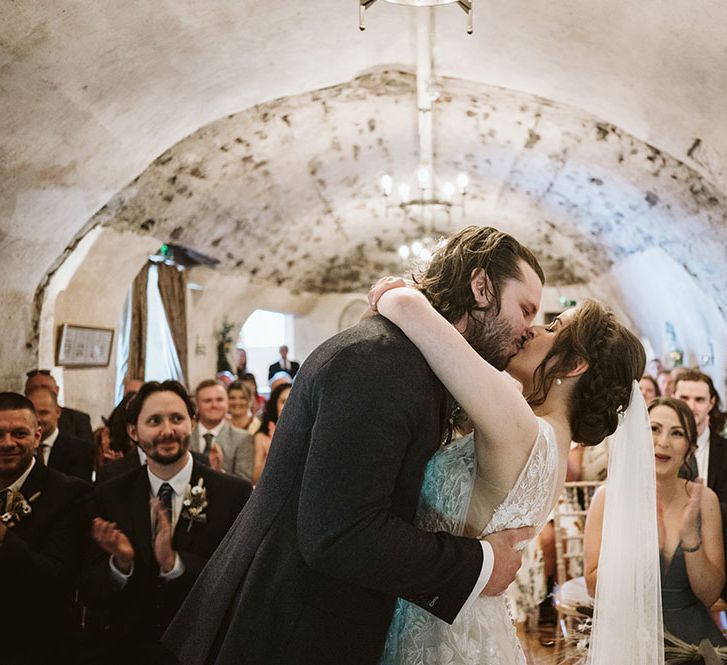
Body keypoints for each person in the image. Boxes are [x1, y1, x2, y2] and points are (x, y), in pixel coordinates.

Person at [163, 226, 544, 665]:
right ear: (480, 288)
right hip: (286, 628)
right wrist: (479, 563)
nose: (527, 330)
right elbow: (341, 533)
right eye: (525, 309)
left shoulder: (407, 358)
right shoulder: (382, 362)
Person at [366, 281, 645, 664]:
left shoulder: (522, 429)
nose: (533, 330)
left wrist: (394, 290)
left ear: (575, 364)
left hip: (440, 633)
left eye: (553, 327)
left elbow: (406, 307)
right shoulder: (549, 441)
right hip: (463, 624)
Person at [80, 381, 252, 664]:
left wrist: (174, 564)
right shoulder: (110, 495)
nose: (167, 431)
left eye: (177, 418)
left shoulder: (233, 494)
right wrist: (120, 564)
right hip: (127, 649)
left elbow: (239, 582)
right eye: (154, 421)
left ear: (192, 423)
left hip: (204, 648)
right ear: (134, 431)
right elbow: (88, 589)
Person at [584, 397, 726, 647]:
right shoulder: (608, 498)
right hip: (631, 640)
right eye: (654, 429)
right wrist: (640, 546)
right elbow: (594, 588)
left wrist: (691, 538)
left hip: (692, 641)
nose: (663, 442)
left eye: (677, 433)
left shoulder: (704, 501)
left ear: (689, 448)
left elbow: (710, 594)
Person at [0, 392, 91, 665]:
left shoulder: (69, 494)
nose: (7, 444)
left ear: (38, 436)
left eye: (19, 434)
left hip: (37, 645)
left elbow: (59, 577)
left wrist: (5, 539)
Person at [189, 379, 254, 483]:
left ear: (227, 402)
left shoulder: (242, 438)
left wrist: (219, 472)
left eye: (219, 400)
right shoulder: (185, 436)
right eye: (207, 401)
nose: (214, 405)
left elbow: (244, 484)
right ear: (197, 404)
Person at [27, 385, 94, 481]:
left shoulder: (80, 450)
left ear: (58, 412)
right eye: (33, 413)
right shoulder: (19, 448)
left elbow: (79, 490)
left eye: (44, 413)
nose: (38, 419)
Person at [25, 368, 94, 446]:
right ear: (26, 393)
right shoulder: (18, 420)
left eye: (46, 388)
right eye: (34, 389)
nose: (41, 392)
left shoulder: (79, 420)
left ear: (57, 390)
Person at [251, 382, 291, 484]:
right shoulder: (262, 436)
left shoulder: (310, 433)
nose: (289, 407)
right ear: (275, 405)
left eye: (292, 402)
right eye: (283, 402)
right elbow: (256, 479)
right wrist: (274, 450)